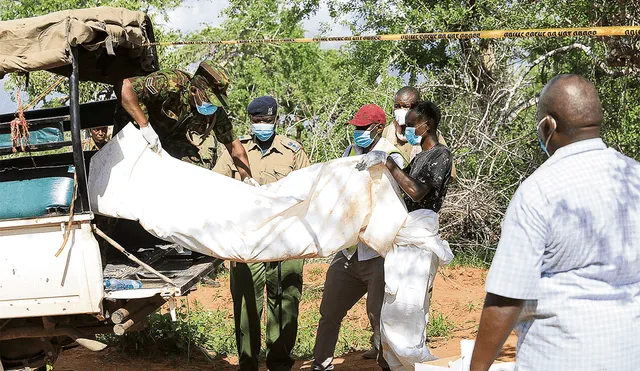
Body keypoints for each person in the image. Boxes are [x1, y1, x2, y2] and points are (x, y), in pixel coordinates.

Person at [470, 75, 640, 371]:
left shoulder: (538, 191)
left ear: (548, 125)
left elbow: (506, 298)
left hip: (561, 356)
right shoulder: (634, 177)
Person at [213, 96, 310, 371]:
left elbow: (308, 192)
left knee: (286, 299)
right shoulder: (235, 149)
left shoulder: (293, 151)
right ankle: (248, 362)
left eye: (267, 121)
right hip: (247, 239)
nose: (262, 126)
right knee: (246, 302)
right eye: (257, 121)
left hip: (286, 237)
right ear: (250, 121)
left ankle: (279, 361)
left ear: (276, 120)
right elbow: (217, 188)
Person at [357, 101, 453, 370]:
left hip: (419, 238)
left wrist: (389, 162)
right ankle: (396, 362)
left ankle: (411, 363)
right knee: (394, 304)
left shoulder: (441, 155)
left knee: (409, 306)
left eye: (411, 125)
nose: (406, 129)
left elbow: (417, 192)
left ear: (428, 125)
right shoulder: (419, 156)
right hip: (405, 237)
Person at [312, 104, 407, 371]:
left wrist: (382, 162)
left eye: (363, 128)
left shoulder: (392, 155)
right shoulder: (350, 152)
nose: (357, 132)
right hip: (349, 250)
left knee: (379, 316)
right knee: (329, 311)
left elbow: (402, 194)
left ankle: (387, 364)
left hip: (377, 252)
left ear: (378, 128)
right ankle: (321, 364)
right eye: (355, 128)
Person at [115, 60, 252, 176]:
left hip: (170, 139)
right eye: (209, 99)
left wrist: (247, 178)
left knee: (193, 170)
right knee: (135, 171)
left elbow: (234, 146)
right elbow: (124, 86)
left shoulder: (214, 111)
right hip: (137, 131)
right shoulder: (171, 82)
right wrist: (144, 126)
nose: (212, 105)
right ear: (193, 91)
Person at [383, 86, 456, 179]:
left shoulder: (429, 133)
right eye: (397, 106)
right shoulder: (386, 132)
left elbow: (450, 173)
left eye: (406, 106)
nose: (400, 110)